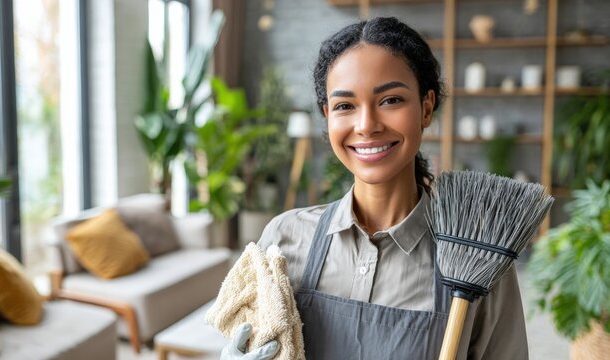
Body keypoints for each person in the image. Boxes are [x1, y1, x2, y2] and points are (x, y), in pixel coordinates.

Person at [221, 16, 528, 360]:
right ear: (327, 116)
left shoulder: (480, 258)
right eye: (345, 106)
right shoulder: (284, 240)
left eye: (390, 100)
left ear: (426, 108)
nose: (366, 125)